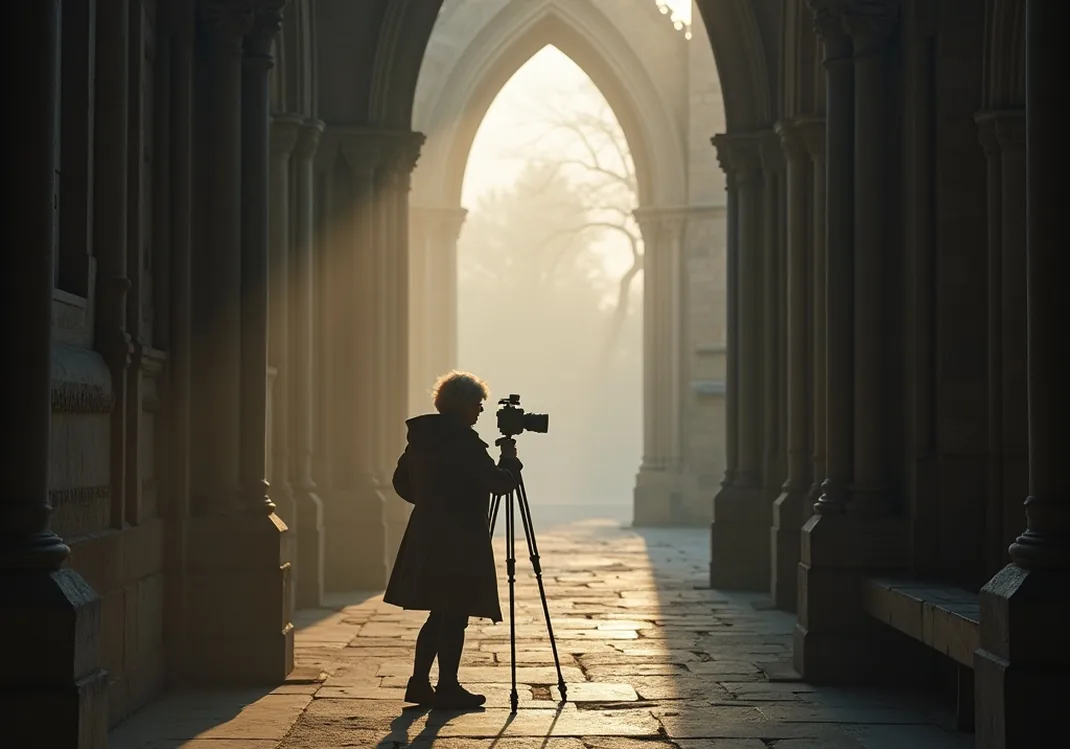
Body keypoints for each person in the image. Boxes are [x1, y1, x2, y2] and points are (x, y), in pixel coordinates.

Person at [383, 370, 521, 710]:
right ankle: (447, 687)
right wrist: (511, 461)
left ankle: (419, 683)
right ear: (461, 406)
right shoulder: (463, 442)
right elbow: (499, 483)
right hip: (459, 537)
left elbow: (401, 482)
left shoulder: (422, 436)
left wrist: (431, 501)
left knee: (439, 611)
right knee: (455, 612)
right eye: (477, 404)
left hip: (428, 532)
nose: (480, 411)